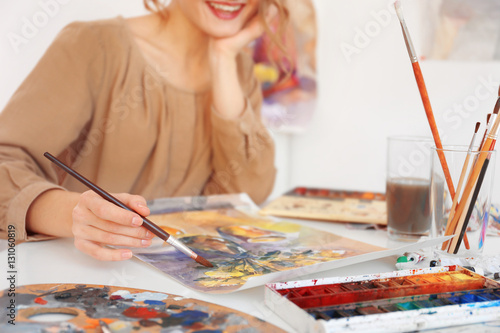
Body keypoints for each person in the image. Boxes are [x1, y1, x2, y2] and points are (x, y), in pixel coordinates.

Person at [0, 0, 290, 261]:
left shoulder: (239, 69)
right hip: (78, 277)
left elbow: (249, 195)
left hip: (179, 291)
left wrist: (223, 58)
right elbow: (5, 162)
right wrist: (75, 214)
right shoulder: (94, 44)